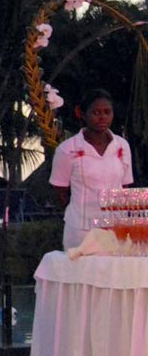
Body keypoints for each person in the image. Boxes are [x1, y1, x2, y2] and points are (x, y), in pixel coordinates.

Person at [50, 89, 134, 250]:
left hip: (115, 229)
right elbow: (60, 191)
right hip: (81, 232)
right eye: (96, 112)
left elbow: (124, 187)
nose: (102, 117)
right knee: (82, 274)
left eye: (107, 112)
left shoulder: (122, 146)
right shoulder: (67, 149)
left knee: (115, 273)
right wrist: (82, 212)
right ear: (81, 114)